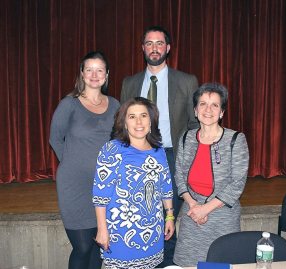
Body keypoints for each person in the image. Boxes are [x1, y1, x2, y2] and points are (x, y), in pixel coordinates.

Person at [120, 25, 199, 266]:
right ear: (142, 48)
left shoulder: (186, 81)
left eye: (159, 43)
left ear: (168, 48)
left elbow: (194, 123)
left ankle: (166, 264)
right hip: (137, 156)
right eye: (149, 43)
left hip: (171, 156)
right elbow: (123, 123)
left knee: (169, 215)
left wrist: (187, 158)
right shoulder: (129, 83)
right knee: (141, 213)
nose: (155, 48)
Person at [49, 51, 120, 269]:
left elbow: (119, 142)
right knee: (82, 247)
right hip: (75, 187)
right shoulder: (69, 104)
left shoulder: (116, 105)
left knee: (99, 246)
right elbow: (55, 138)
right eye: (89, 69)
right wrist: (72, 164)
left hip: (106, 187)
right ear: (82, 73)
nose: (94, 74)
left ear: (107, 74)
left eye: (100, 69)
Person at [93, 97, 175, 269]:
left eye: (143, 115)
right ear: (124, 123)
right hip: (121, 233)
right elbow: (101, 195)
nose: (139, 121)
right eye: (132, 116)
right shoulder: (112, 150)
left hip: (153, 231)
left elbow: (165, 187)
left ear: (151, 121)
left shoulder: (159, 150)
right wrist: (102, 229)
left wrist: (169, 216)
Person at [173, 82, 249, 266]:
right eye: (203, 104)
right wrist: (193, 206)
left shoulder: (236, 139)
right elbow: (179, 176)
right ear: (195, 110)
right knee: (187, 264)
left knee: (219, 264)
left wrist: (205, 209)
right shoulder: (186, 137)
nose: (208, 109)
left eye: (215, 105)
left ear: (222, 112)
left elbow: (237, 183)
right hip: (191, 215)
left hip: (222, 217)